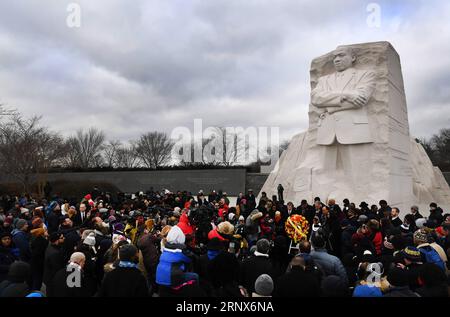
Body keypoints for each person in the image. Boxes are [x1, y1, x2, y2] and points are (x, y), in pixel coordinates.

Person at [43, 232, 65, 297]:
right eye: (61, 238)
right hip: (52, 279)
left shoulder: (50, 247)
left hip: (49, 277)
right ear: (56, 241)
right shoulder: (55, 253)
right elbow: (57, 268)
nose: (64, 238)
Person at [29, 226, 48, 291]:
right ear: (41, 234)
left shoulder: (34, 240)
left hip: (34, 262)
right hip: (39, 263)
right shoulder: (43, 241)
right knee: (38, 278)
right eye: (45, 231)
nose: (46, 232)